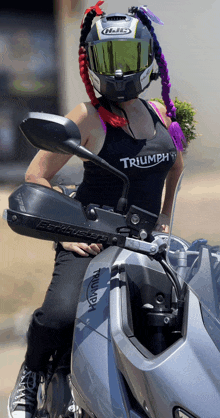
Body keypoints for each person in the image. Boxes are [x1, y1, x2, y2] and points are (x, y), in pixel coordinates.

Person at [8, 3, 185, 418]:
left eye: (127, 57)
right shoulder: (88, 116)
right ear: (92, 61)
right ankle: (31, 376)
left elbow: (175, 164)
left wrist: (165, 217)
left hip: (145, 244)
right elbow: (36, 176)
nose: (119, 71)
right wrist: (66, 232)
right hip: (90, 236)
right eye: (109, 58)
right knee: (60, 316)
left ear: (146, 57)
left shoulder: (160, 113)